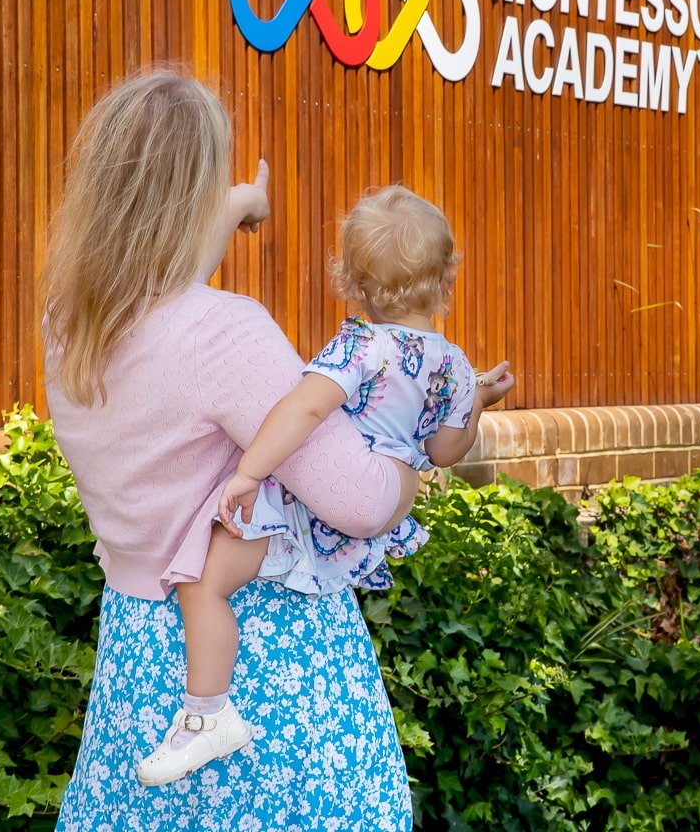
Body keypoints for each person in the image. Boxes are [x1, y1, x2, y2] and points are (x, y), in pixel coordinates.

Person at [44, 70, 415, 829]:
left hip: (140, 662)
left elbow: (167, 295)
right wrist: (417, 434)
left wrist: (241, 203)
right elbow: (363, 501)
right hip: (264, 676)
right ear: (197, 194)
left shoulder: (69, 326)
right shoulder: (225, 332)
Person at [138, 186, 515, 785]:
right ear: (447, 278)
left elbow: (304, 409)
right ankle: (210, 717)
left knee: (203, 581)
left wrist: (248, 472)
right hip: (374, 512)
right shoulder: (454, 366)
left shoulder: (363, 344)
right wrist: (479, 402)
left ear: (355, 283)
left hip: (313, 501)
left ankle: (207, 714)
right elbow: (444, 452)